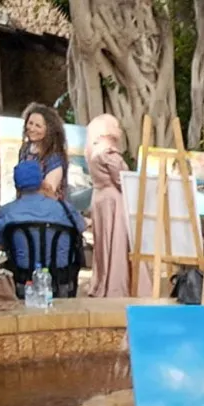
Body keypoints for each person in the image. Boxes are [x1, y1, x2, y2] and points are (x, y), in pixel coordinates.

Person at [0, 160, 85, 286]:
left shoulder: (5, 212)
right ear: (41, 182)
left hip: (23, 279)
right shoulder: (65, 209)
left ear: (16, 185)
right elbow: (81, 228)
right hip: (62, 278)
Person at [85, 114, 130, 298]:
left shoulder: (93, 151)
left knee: (103, 243)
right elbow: (121, 179)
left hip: (100, 198)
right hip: (113, 201)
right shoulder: (108, 152)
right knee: (116, 241)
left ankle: (103, 281)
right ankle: (114, 284)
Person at [19, 103, 69, 199]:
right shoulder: (25, 149)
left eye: (38, 126)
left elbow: (48, 193)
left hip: (46, 205)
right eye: (30, 123)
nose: (32, 128)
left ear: (49, 130)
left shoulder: (54, 158)